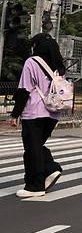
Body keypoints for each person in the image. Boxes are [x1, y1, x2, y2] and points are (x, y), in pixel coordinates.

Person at [9, 33, 65, 198]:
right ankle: (50, 169)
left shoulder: (31, 62)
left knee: (31, 149)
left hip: (34, 113)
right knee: (36, 146)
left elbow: (24, 90)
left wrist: (15, 114)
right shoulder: (58, 66)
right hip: (53, 114)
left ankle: (35, 185)